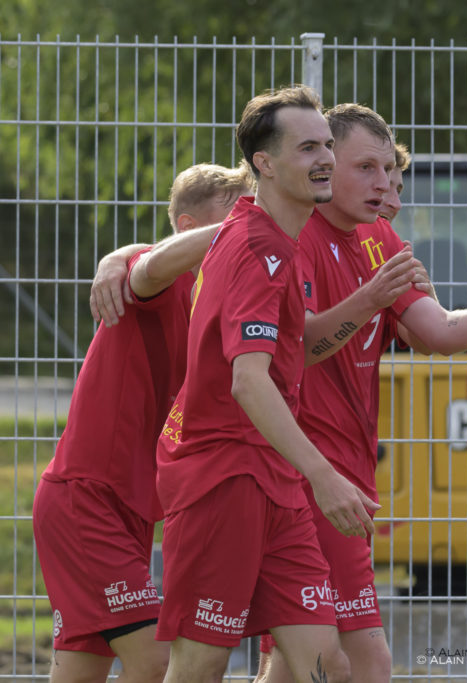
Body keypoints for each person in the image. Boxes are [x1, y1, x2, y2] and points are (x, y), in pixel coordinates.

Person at [255, 103, 467, 683]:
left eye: (390, 171)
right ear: (325, 164)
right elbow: (298, 348)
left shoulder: (380, 237)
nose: (383, 185)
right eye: (366, 167)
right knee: (362, 662)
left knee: (292, 662)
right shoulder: (293, 234)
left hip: (345, 474)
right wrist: (123, 263)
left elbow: (437, 331)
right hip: (303, 473)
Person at [152, 85, 393, 683]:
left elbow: (291, 348)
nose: (325, 159)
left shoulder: (272, 236)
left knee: (329, 665)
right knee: (201, 665)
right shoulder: (256, 245)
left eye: (328, 146)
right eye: (307, 148)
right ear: (263, 163)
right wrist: (324, 475)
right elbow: (249, 382)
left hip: (276, 480)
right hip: (224, 477)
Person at [32, 162, 252, 683]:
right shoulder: (161, 280)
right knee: (155, 661)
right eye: (236, 213)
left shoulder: (218, 299)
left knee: (80, 671)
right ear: (185, 227)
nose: (248, 223)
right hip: (86, 499)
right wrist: (120, 256)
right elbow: (148, 262)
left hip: (126, 506)